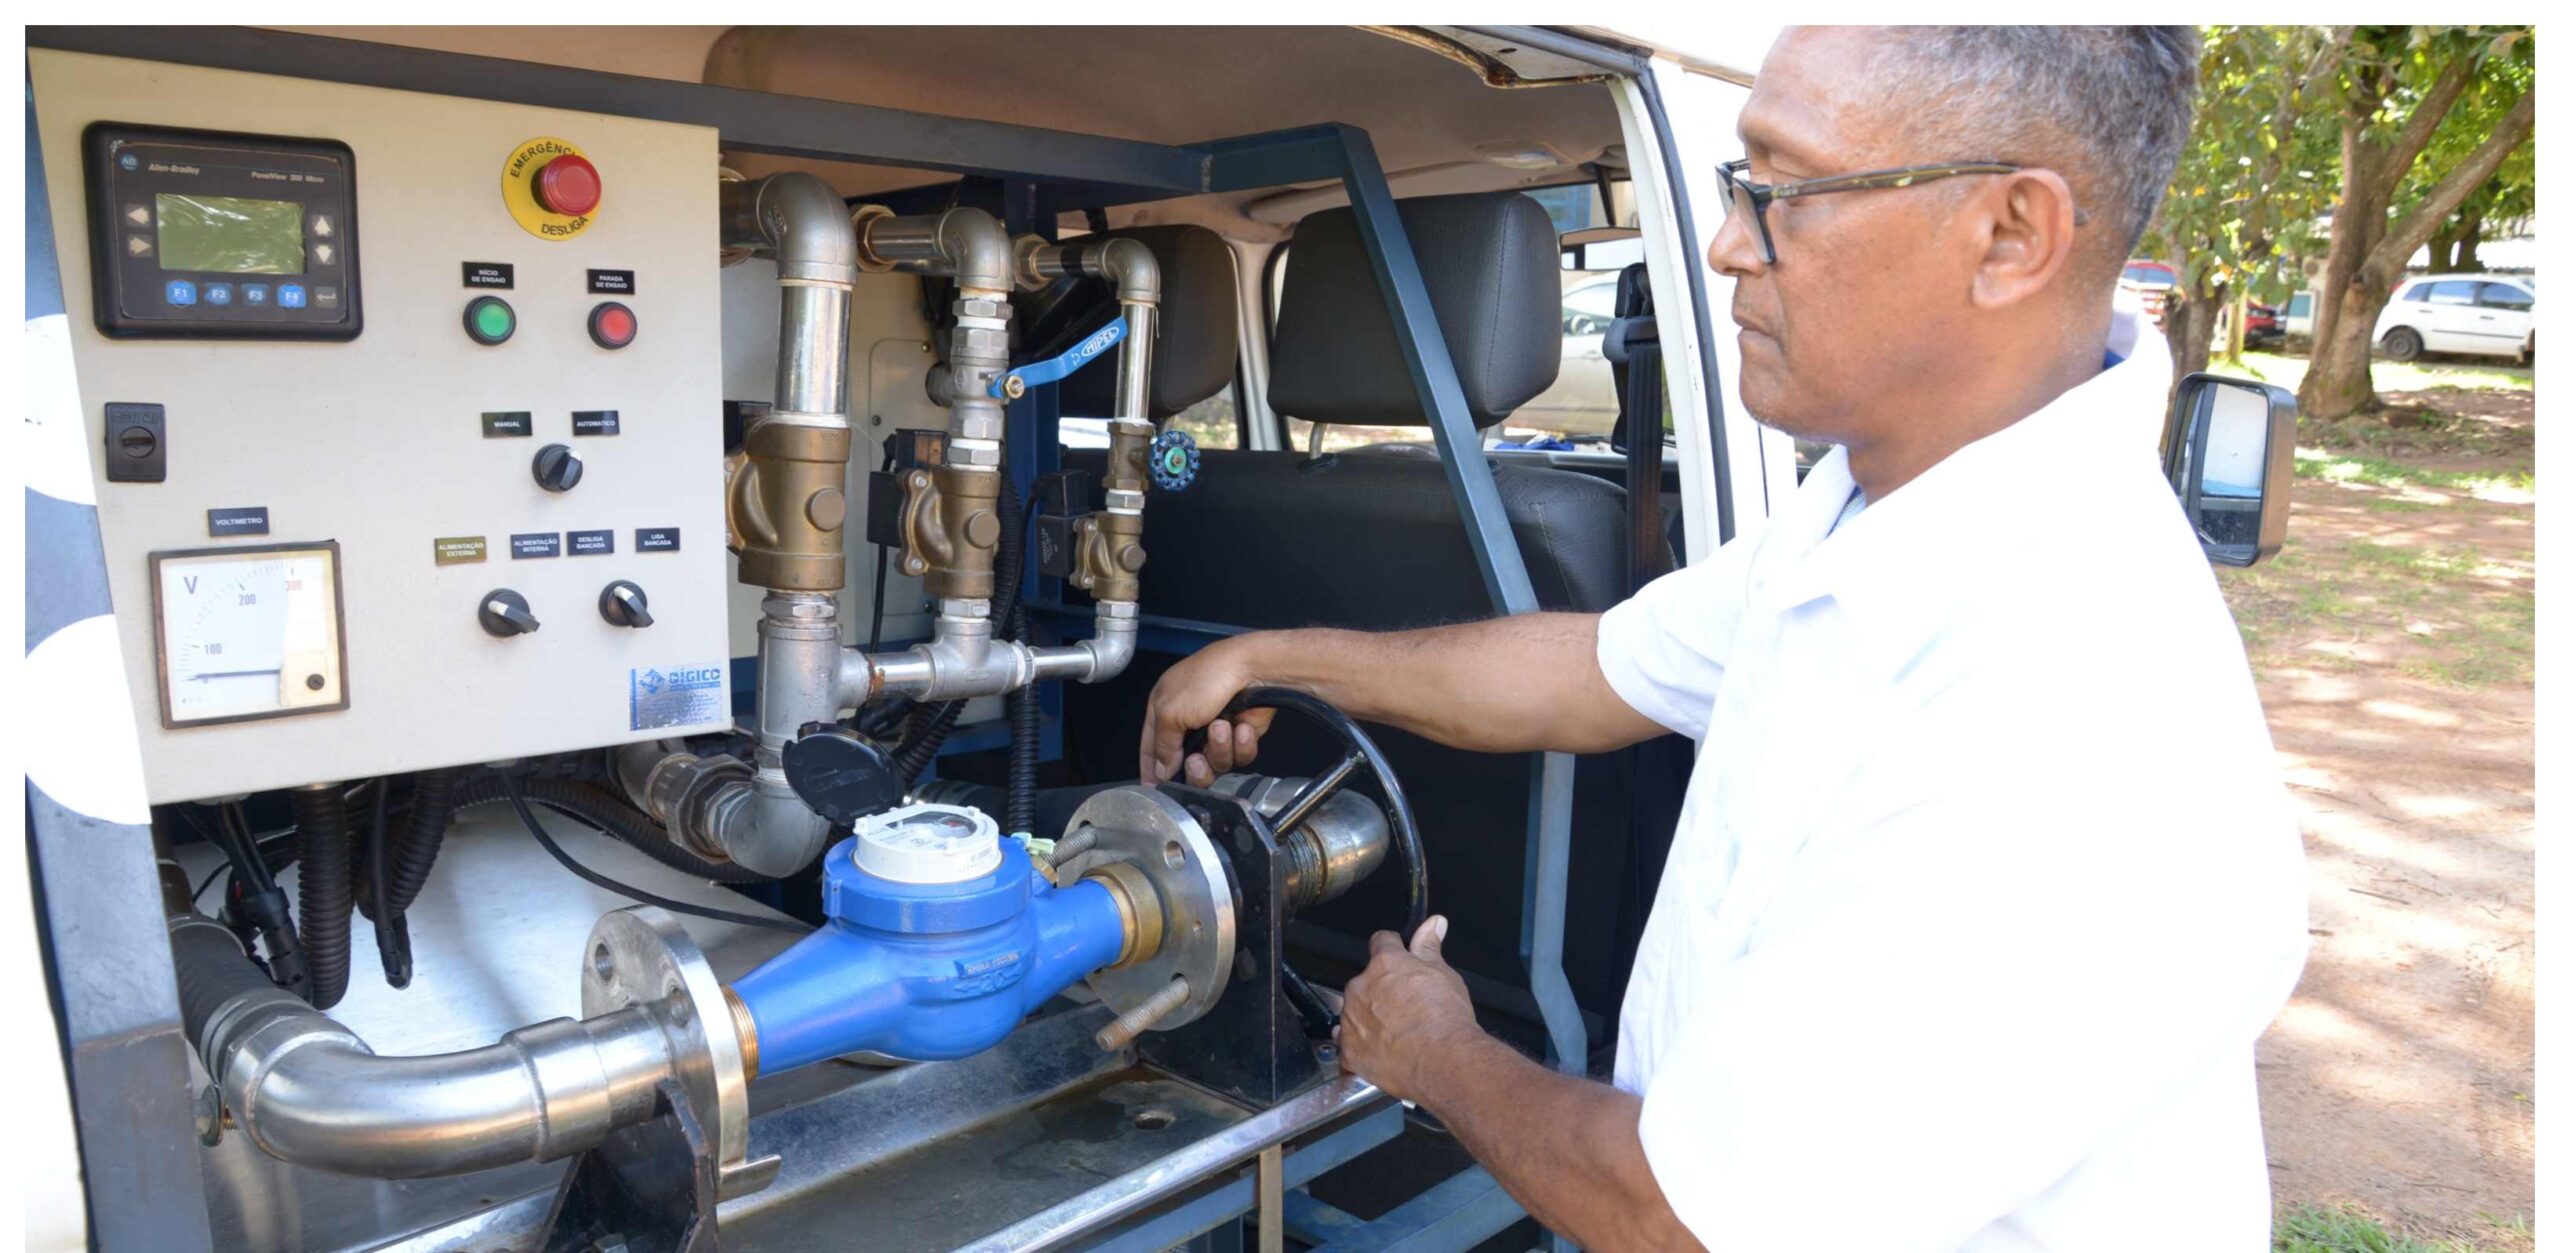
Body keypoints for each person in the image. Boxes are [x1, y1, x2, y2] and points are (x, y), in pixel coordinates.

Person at [1140, 26, 2307, 1253]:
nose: (1725, 245)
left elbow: (1686, 1219)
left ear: (2010, 236)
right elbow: (1590, 670)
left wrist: (1434, 1047)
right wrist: (1271, 654)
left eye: (1780, 192)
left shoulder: (2066, 717)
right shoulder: (1869, 502)